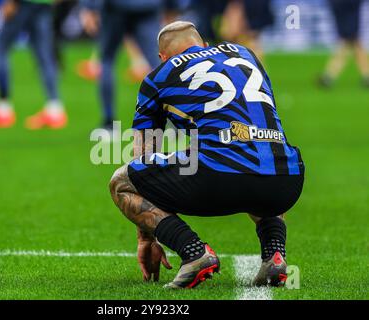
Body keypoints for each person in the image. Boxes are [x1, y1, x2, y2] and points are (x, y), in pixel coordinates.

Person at [109, 21, 304, 288]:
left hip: (221, 178)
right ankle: (275, 255)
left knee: (122, 182)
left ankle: (193, 252)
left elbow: (142, 158)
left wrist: (147, 239)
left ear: (162, 58)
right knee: (259, 155)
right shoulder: (245, 53)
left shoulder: (158, 76)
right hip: (287, 179)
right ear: (205, 45)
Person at [0, 0, 67, 129]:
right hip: (44, 3)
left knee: (1, 48)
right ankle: (55, 110)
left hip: (23, 3)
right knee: (44, 56)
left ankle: (2, 109)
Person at [79, 0, 164, 132]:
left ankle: (109, 123)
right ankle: (173, 120)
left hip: (115, 8)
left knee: (106, 60)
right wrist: (174, 5)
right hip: (147, 6)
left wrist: (89, 7)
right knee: (159, 63)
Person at [319, 0, 369, 88]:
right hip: (345, 6)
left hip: (343, 6)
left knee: (350, 42)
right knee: (352, 42)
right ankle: (329, 75)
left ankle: (329, 75)